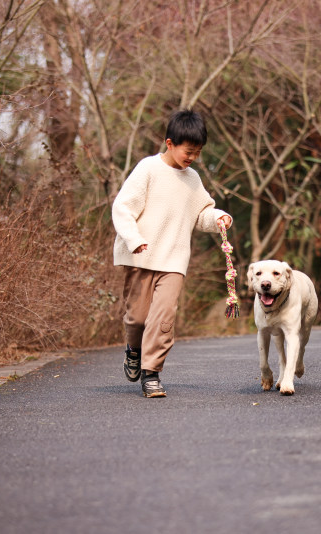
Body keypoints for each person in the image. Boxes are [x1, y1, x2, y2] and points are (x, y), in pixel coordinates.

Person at [112, 109, 233, 398]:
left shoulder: (192, 179)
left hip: (174, 259)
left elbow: (200, 213)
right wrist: (133, 238)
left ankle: (151, 373)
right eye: (188, 151)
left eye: (197, 152)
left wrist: (217, 218)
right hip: (140, 255)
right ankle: (134, 349)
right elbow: (123, 207)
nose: (192, 157)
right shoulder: (148, 169)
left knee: (163, 318)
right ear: (169, 143)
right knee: (137, 318)